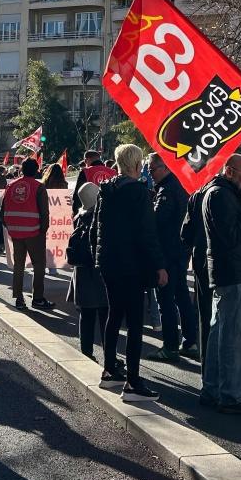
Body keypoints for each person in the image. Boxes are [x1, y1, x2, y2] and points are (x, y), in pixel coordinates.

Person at [94, 143, 166, 403]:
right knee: (135, 322)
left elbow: (96, 228)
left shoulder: (106, 190)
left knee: (114, 315)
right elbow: (147, 233)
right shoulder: (139, 192)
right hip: (132, 264)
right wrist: (159, 265)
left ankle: (110, 368)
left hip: (108, 262)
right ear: (137, 165)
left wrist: (98, 257)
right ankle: (133, 382)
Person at [201, 153, 241, 414]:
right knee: (232, 334)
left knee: (220, 329)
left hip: (229, 269)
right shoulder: (220, 195)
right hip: (231, 270)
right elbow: (232, 235)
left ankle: (213, 388)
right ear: (230, 172)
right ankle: (230, 395)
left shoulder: (221, 193)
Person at [148, 153, 199, 363]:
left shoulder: (168, 190)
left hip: (168, 252)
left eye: (153, 170)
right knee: (182, 297)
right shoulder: (179, 185)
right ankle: (190, 342)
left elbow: (158, 222)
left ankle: (170, 346)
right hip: (180, 251)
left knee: (166, 300)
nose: (150, 174)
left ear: (165, 168)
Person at [67, 181, 110, 360]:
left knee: (86, 316)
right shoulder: (101, 217)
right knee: (105, 316)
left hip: (82, 272)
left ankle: (86, 352)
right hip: (99, 272)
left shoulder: (78, 217)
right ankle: (110, 355)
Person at [2, 158, 52, 309]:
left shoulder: (11, 186)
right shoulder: (39, 187)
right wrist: (43, 230)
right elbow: (44, 212)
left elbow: (3, 209)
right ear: (37, 170)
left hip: (15, 231)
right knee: (39, 265)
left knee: (19, 265)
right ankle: (37, 298)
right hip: (34, 232)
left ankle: (18, 298)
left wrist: (10, 226)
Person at [181, 174, 213, 368]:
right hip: (225, 266)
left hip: (201, 259)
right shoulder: (230, 194)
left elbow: (185, 234)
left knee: (205, 313)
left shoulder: (196, 195)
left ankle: (206, 363)